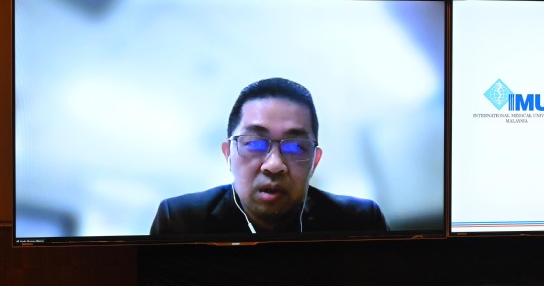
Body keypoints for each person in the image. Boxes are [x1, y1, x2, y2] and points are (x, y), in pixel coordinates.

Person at [150, 77, 388, 235]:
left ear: (315, 161)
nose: (274, 165)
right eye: (254, 143)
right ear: (228, 154)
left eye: (295, 147)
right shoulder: (180, 220)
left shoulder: (359, 222)